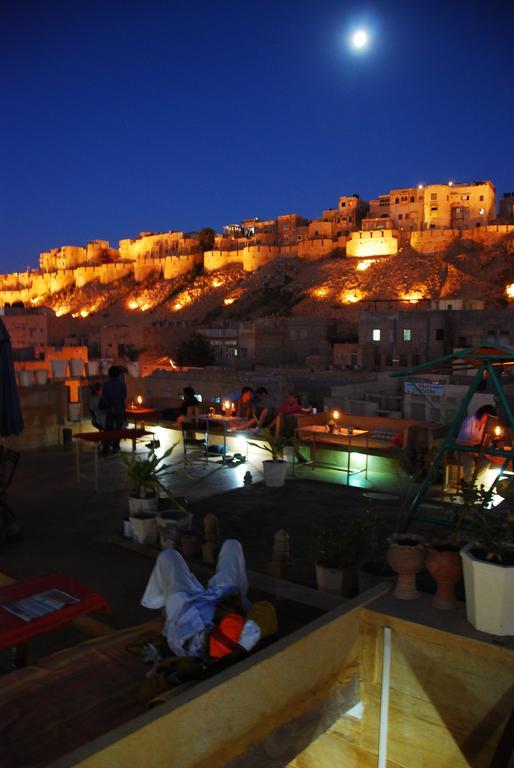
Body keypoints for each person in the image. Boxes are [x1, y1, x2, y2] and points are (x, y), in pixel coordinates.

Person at [141, 539, 261, 657]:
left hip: (185, 603)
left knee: (168, 556)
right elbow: (244, 620)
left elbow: (175, 632)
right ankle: (237, 596)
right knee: (232, 544)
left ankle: (154, 600)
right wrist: (231, 607)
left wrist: (220, 613)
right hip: (219, 597)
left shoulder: (189, 643)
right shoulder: (243, 636)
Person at [456, 404, 497, 485]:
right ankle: (468, 483)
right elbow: (461, 441)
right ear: (484, 414)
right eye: (488, 417)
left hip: (478, 452)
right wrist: (474, 446)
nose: (488, 420)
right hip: (463, 450)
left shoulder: (486, 426)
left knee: (486, 462)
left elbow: (487, 442)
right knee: (470, 463)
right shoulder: (470, 420)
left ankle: (469, 480)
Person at [101, 365, 127, 453]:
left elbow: (105, 398)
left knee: (108, 429)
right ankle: (116, 447)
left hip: (110, 409)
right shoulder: (122, 384)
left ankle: (106, 448)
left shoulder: (106, 385)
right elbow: (124, 396)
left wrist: (111, 407)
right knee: (119, 429)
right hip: (120, 409)